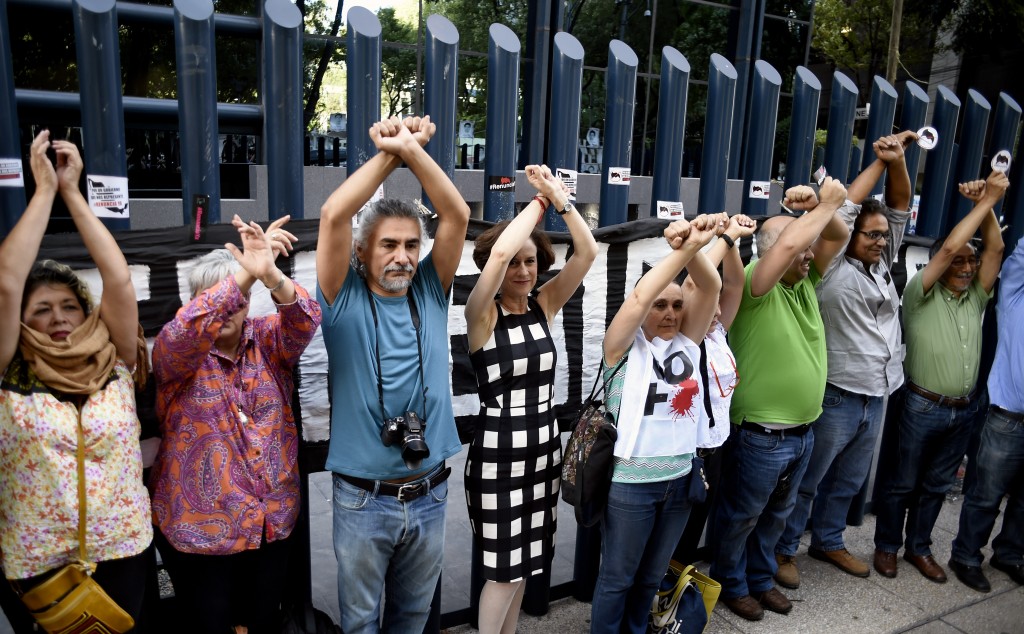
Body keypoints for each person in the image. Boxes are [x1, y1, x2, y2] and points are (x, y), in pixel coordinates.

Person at [316, 116, 470, 633]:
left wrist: (414, 150)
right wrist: (390, 152)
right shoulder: (342, 296)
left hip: (430, 492)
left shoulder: (430, 289)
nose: (403, 257)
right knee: (360, 624)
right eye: (388, 245)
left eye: (411, 245)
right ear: (362, 252)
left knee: (412, 619)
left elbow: (457, 212)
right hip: (363, 499)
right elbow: (335, 213)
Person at [0, 131, 152, 630]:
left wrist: (73, 192)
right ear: (22, 322)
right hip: (38, 563)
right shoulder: (10, 373)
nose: (58, 317)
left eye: (69, 305)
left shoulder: (115, 362)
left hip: (122, 552)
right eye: (41, 309)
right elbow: (5, 282)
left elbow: (119, 280)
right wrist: (43, 191)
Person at [148, 214, 321, 634]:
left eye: (239, 298)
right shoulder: (176, 352)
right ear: (194, 303)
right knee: (210, 624)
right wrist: (244, 275)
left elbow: (306, 319)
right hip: (201, 531)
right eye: (212, 297)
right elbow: (193, 326)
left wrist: (269, 272)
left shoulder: (266, 339)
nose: (227, 306)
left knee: (263, 622)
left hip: (270, 522)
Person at [774, 131, 916, 587]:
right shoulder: (829, 263)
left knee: (850, 479)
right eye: (870, 235)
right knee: (809, 481)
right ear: (852, 236)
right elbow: (843, 209)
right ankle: (783, 550)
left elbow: (899, 204)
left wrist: (897, 162)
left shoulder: (882, 260)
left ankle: (830, 540)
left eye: (882, 236)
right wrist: (877, 161)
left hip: (877, 393)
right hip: (838, 393)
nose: (879, 240)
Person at [709, 177, 849, 622]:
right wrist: (822, 205)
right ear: (769, 251)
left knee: (777, 516)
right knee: (743, 516)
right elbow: (790, 248)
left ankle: (760, 578)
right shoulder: (756, 283)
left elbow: (837, 235)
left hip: (802, 432)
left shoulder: (804, 282)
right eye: (801, 247)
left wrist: (819, 211)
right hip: (759, 436)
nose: (810, 255)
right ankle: (732, 583)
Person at [464, 165, 597, 634]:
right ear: (493, 271)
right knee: (502, 570)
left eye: (532, 261)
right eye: (515, 263)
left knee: (526, 563)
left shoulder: (544, 305)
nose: (523, 270)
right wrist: (539, 202)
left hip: (544, 451)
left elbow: (588, 251)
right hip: (499, 456)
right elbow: (499, 250)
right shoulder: (481, 314)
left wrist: (562, 200)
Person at [591, 213, 725, 634]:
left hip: (681, 481)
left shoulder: (690, 341)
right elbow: (635, 301)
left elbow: (711, 286)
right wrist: (681, 249)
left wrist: (696, 244)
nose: (669, 313)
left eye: (676, 305)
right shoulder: (622, 348)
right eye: (659, 305)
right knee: (617, 579)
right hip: (632, 485)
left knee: (651, 578)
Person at [873, 170, 1009, 582]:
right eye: (960, 261)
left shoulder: (976, 297)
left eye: (972, 260)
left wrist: (982, 207)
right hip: (921, 404)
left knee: (935, 486)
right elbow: (950, 247)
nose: (968, 266)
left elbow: (996, 250)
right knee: (902, 483)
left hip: (963, 410)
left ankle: (920, 548)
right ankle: (887, 548)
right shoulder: (920, 292)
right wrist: (988, 201)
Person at [674, 213, 757, 565]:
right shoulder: (684, 340)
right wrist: (725, 237)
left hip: (716, 447)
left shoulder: (718, 332)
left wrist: (732, 241)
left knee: (692, 534)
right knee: (672, 536)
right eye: (711, 300)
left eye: (718, 302)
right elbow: (697, 285)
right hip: (686, 453)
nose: (717, 308)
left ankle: (673, 604)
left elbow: (735, 286)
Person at [948, 229, 1024, 593]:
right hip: (1009, 417)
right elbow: (1019, 254)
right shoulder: (1014, 297)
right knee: (986, 495)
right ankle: (965, 555)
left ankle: (1009, 554)